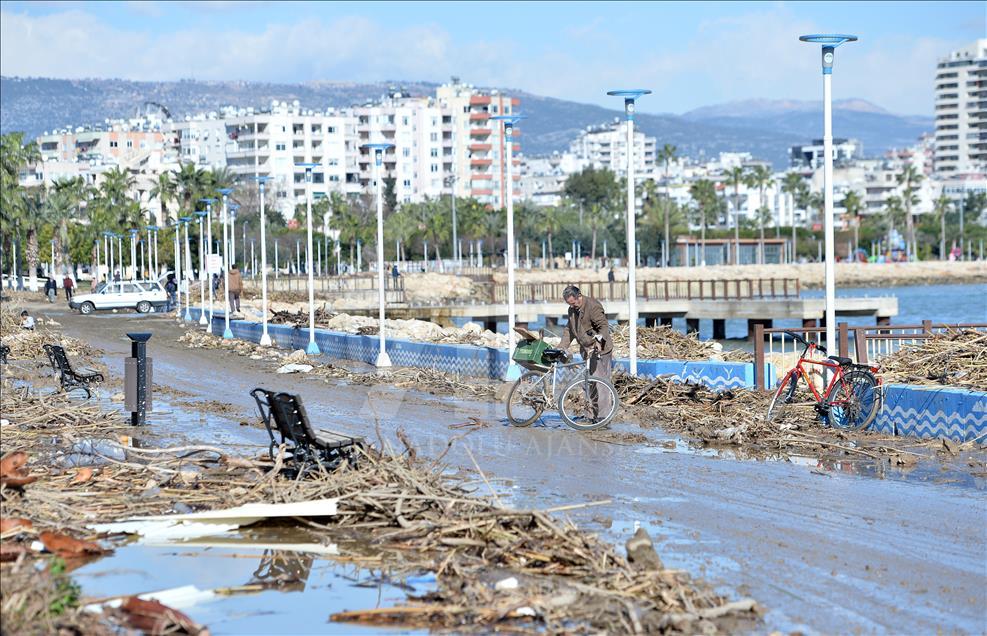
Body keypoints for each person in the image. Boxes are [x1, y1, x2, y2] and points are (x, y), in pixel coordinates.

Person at [559, 285, 613, 421]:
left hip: (599, 349)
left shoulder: (593, 306)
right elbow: (569, 329)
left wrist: (598, 342)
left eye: (573, 303)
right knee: (590, 382)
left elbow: (603, 326)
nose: (572, 306)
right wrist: (562, 346)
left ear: (579, 296)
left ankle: (602, 417)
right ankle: (590, 416)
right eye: (569, 304)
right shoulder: (572, 310)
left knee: (601, 383)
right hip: (586, 349)